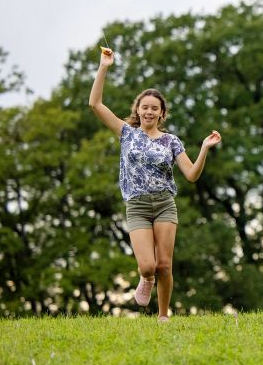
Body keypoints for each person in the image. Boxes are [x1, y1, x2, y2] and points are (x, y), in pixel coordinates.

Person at [89, 47, 221, 322]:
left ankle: (163, 315)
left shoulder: (171, 141)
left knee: (165, 265)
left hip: (164, 204)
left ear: (162, 113)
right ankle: (145, 278)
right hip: (137, 205)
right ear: (138, 110)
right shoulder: (126, 133)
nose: (149, 111)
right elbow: (95, 104)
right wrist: (104, 66)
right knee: (148, 266)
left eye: (155, 108)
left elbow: (191, 175)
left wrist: (204, 149)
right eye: (145, 107)